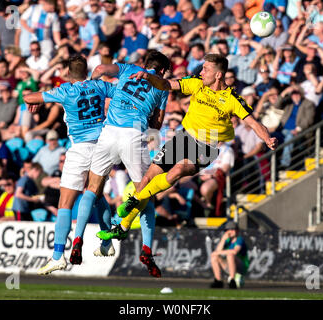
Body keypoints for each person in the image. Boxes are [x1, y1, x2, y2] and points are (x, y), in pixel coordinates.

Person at [99, 53, 277, 246]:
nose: (201, 72)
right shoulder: (196, 83)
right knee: (147, 178)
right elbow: (167, 85)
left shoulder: (232, 98)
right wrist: (149, 77)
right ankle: (123, 227)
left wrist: (267, 138)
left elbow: (254, 123)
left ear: (218, 75)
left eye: (206, 69)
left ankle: (135, 200)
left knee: (179, 169)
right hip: (184, 138)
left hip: (207, 146)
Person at [74, 50, 171, 277]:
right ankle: (146, 249)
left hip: (109, 133)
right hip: (133, 134)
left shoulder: (128, 68)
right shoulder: (162, 85)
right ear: (163, 70)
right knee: (145, 195)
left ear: (144, 63)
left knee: (92, 189)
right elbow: (157, 124)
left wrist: (90, 86)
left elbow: (99, 69)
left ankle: (79, 239)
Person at [23, 55, 116, 275]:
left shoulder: (64, 90)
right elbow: (120, 92)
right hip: (102, 146)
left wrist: (32, 103)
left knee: (65, 203)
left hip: (80, 148)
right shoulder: (100, 85)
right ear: (87, 70)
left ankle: (57, 256)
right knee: (96, 194)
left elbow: (29, 96)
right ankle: (106, 242)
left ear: (67, 73)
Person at [210, 221, 249, 289]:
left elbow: (234, 252)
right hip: (230, 266)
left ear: (237, 230)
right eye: (228, 230)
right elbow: (217, 251)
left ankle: (232, 280)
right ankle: (218, 281)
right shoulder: (227, 241)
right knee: (214, 257)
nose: (230, 232)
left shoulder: (239, 240)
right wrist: (223, 240)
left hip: (241, 266)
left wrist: (218, 252)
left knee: (230, 255)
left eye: (232, 229)